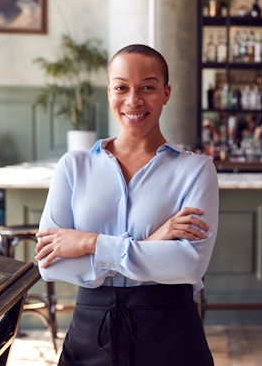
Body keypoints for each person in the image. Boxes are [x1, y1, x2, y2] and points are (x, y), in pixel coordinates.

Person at [34, 44, 218, 366]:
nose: (134, 100)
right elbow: (50, 263)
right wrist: (150, 245)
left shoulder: (196, 170)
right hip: (90, 332)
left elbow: (189, 264)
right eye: (122, 87)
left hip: (171, 333)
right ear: (109, 93)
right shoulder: (73, 167)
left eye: (147, 87)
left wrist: (88, 243)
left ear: (166, 93)